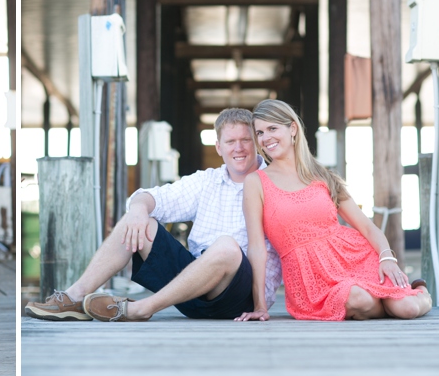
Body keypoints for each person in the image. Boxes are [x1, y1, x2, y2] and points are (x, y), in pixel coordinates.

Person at [25, 108, 283, 322]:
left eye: (245, 140)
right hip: (190, 293)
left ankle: (141, 308)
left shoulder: (274, 184)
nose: (238, 148)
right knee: (140, 221)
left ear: (256, 143)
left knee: (227, 247)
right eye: (230, 141)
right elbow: (154, 197)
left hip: (241, 300)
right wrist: (137, 209)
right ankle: (74, 297)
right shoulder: (207, 181)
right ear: (218, 147)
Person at [235, 99, 431, 322]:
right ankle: (389, 300)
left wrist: (387, 258)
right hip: (311, 277)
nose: (265, 138)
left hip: (354, 257)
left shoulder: (321, 175)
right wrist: (260, 306)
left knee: (407, 309)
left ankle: (421, 294)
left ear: (292, 128)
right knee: (360, 299)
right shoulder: (256, 182)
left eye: (272, 128)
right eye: (260, 133)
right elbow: (257, 247)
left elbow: (365, 226)